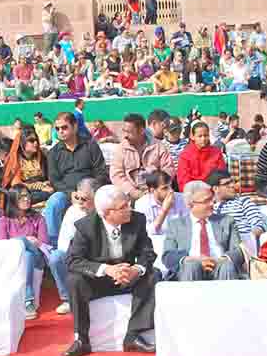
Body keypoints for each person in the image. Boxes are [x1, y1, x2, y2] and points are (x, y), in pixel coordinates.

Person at [63, 185, 156, 356]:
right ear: (107, 213)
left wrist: (136, 269)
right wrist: (107, 269)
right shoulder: (86, 226)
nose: (129, 208)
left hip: (128, 276)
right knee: (74, 280)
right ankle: (81, 339)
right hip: (100, 279)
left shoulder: (137, 219)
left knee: (153, 274)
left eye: (128, 203)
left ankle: (133, 335)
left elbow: (148, 253)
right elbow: (73, 260)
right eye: (123, 207)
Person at [43, 112, 107, 246]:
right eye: (57, 129)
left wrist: (90, 192)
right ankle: (53, 246)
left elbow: (101, 172)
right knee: (54, 202)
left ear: (75, 126)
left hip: (91, 191)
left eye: (64, 127)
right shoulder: (54, 153)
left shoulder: (90, 146)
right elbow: (54, 180)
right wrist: (70, 193)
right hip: (67, 193)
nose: (60, 131)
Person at [162, 180, 244, 281]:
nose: (212, 203)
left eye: (212, 199)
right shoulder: (176, 225)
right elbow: (168, 256)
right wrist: (192, 259)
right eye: (206, 201)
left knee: (227, 266)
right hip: (190, 268)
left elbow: (238, 251)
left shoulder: (227, 221)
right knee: (191, 266)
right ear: (190, 205)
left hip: (219, 265)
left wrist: (222, 259)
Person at [48, 178, 101, 315]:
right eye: (77, 197)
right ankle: (68, 299)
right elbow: (63, 245)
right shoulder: (73, 211)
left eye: (84, 199)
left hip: (101, 257)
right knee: (56, 257)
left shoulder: (105, 210)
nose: (80, 202)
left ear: (96, 197)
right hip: (77, 256)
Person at [0, 185, 50, 318]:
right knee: (26, 254)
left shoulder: (38, 218)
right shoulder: (5, 220)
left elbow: (44, 245)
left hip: (38, 259)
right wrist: (25, 241)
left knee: (28, 251)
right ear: (13, 199)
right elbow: (3, 246)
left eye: (27, 195)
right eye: (22, 197)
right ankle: (28, 299)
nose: (27, 199)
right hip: (14, 260)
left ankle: (28, 300)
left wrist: (34, 242)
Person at [110, 114, 174, 200]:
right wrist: (133, 192)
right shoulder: (121, 149)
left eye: (129, 132)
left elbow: (169, 169)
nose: (125, 135)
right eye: (124, 131)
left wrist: (157, 189)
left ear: (141, 130)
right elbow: (116, 175)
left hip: (157, 193)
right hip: (131, 196)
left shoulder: (158, 146)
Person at [206, 170, 267, 251]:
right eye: (227, 184)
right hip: (216, 248)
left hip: (241, 246)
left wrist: (246, 240)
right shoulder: (209, 207)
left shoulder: (243, 202)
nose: (233, 185)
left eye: (232, 182)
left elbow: (259, 226)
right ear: (215, 189)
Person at [133, 170, 187, 235]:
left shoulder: (181, 198)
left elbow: (189, 224)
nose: (171, 191)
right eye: (165, 188)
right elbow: (145, 233)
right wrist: (164, 211)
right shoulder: (141, 204)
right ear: (152, 190)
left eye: (171, 186)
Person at [176, 121, 225, 190]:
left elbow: (222, 176)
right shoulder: (185, 155)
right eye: (200, 136)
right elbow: (183, 181)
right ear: (192, 137)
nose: (203, 139)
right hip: (193, 192)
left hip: (214, 190)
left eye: (206, 135)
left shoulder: (216, 152)